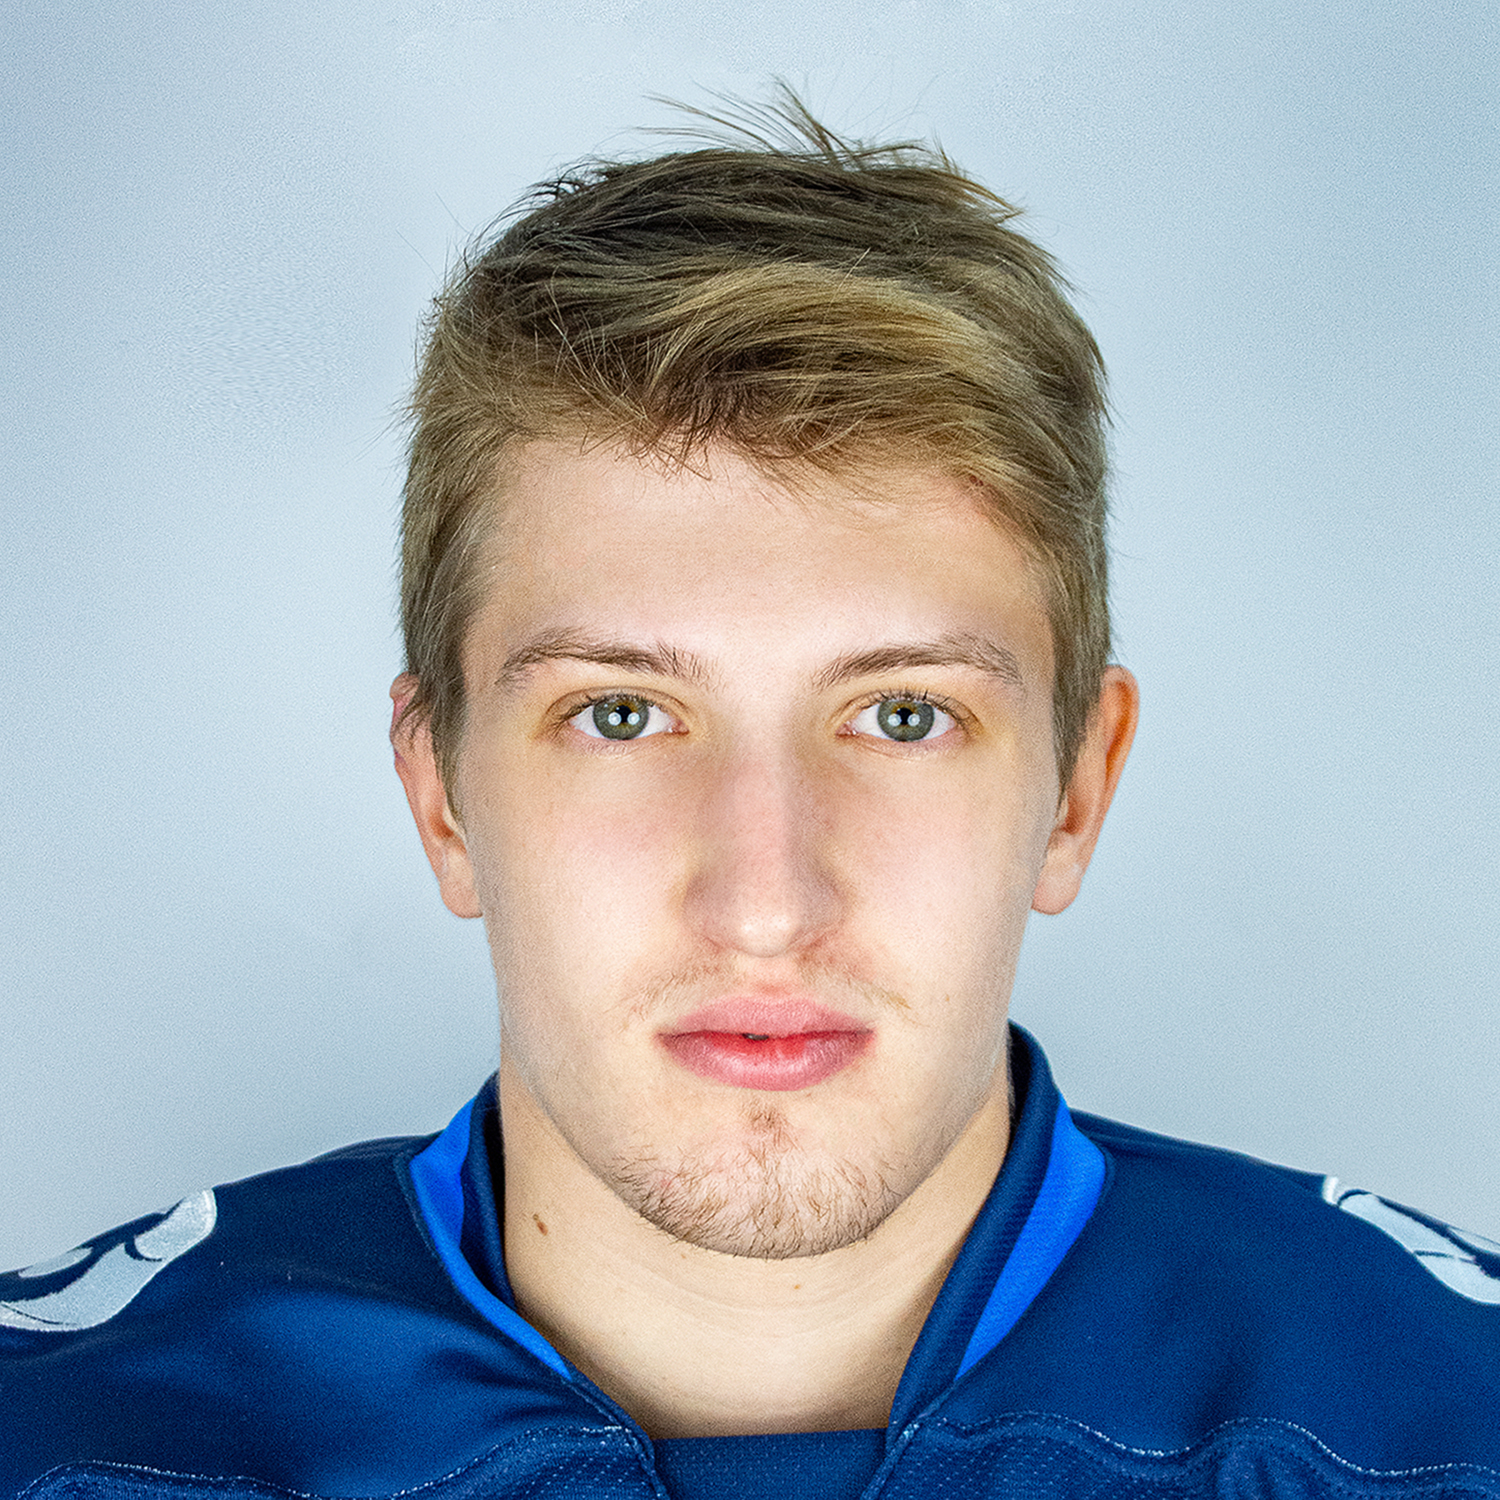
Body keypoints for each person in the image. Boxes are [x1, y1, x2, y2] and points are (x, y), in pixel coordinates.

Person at [3, 95, 1498, 1500]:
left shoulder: (1447, 1422)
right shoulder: (63, 1439)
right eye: (622, 715)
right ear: (442, 796)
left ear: (1075, 793)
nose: (767, 903)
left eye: (903, 716)